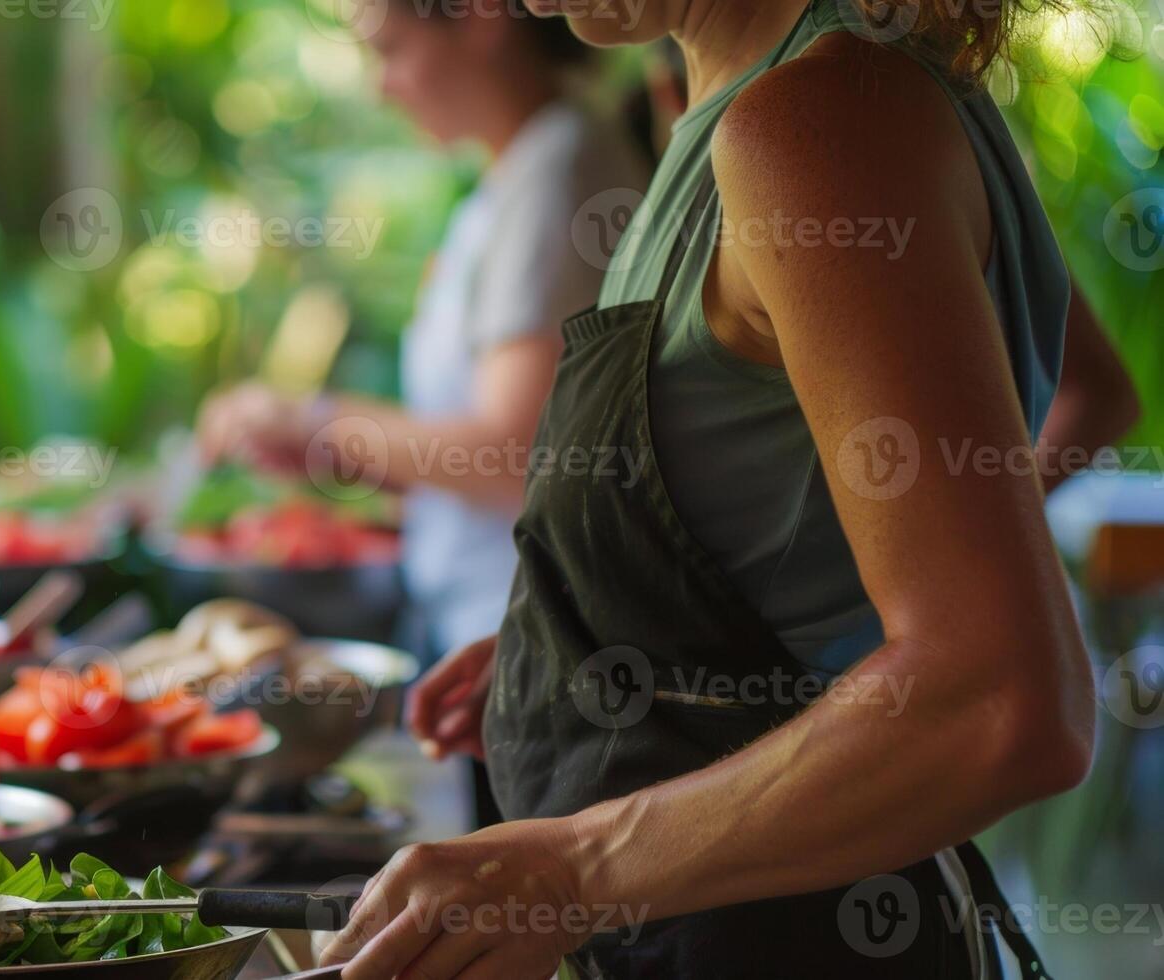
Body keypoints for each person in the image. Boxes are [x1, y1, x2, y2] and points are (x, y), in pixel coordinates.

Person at [326, 0, 1136, 977]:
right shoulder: (766, 103)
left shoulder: (813, 124)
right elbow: (828, 506)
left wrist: (567, 871)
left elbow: (1001, 699)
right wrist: (615, 629)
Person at [197, 0, 649, 664]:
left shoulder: (557, 170)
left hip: (537, 641)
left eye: (392, 49)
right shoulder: (517, 174)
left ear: (480, 18)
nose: (381, 84)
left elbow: (514, 454)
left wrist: (312, 421)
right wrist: (341, 455)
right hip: (498, 634)